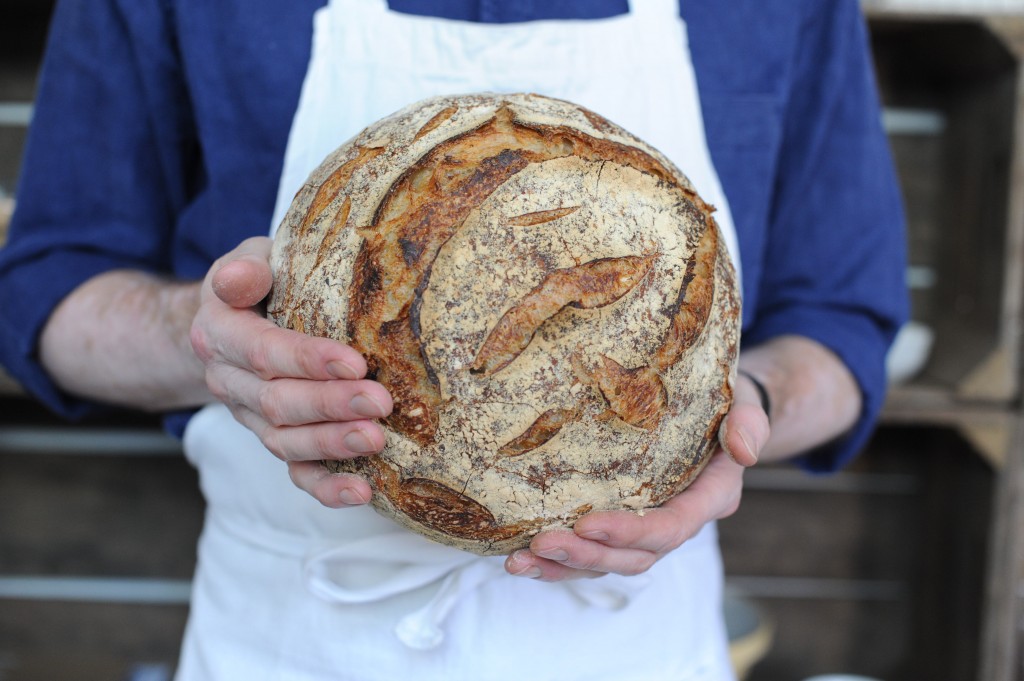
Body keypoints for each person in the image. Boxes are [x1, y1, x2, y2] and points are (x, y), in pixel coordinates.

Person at [0, 0, 908, 679]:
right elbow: (50, 293)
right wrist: (207, 340)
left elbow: (842, 324)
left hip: (636, 640)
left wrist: (742, 408)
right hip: (292, 640)